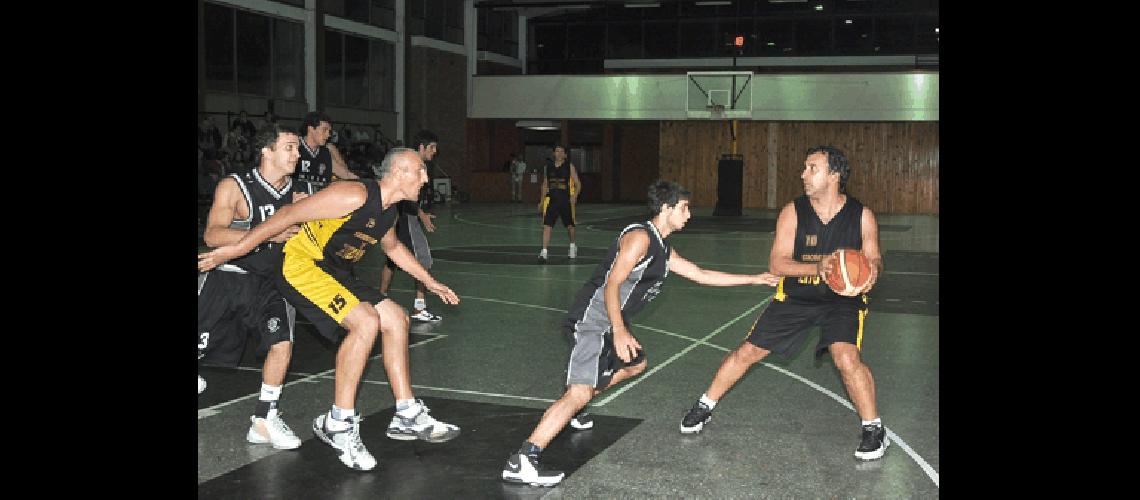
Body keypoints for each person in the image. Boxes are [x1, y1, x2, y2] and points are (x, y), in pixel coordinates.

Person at [501, 180, 780, 487]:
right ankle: (523, 459)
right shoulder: (639, 238)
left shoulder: (662, 245)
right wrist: (619, 331)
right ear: (666, 208)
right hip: (593, 320)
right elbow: (613, 284)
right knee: (579, 391)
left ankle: (573, 408)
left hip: (610, 321)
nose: (688, 215)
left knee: (635, 364)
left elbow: (700, 274)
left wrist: (754, 279)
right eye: (684, 208)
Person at [198, 148, 462, 472]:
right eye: (420, 170)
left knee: (396, 317)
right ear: (398, 172)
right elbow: (286, 216)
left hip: (333, 271)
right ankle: (338, 423)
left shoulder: (388, 212)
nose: (425, 177)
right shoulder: (352, 194)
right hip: (299, 265)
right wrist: (234, 250)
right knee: (364, 322)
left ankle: (406, 411)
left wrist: (430, 282)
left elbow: (392, 247)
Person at [678, 145, 887, 461]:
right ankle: (706, 404)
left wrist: (871, 273)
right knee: (749, 351)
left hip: (841, 301)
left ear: (834, 175)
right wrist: (818, 268)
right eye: (805, 167)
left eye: (812, 168)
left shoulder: (861, 215)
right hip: (797, 296)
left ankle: (873, 429)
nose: (803, 174)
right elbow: (777, 263)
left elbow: (873, 258)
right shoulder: (793, 212)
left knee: (846, 357)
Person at [197, 124, 316, 449]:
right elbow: (213, 235)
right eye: (290, 147)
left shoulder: (300, 192)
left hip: (272, 284)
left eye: (297, 148)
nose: (297, 154)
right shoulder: (234, 186)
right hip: (229, 278)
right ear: (266, 150)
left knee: (282, 345)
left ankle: (264, 420)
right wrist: (268, 233)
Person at [379, 130, 443, 322]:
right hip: (405, 215)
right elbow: (402, 193)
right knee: (422, 259)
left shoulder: (420, 166)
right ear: (421, 147)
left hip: (401, 215)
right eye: (432, 147)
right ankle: (419, 307)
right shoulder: (409, 163)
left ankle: (378, 299)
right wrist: (421, 215)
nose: (435, 151)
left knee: (392, 260)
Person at [536, 144, 580, 263]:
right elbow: (545, 184)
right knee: (547, 226)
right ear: (554, 153)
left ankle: (572, 246)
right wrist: (541, 201)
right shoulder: (548, 167)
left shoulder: (569, 167)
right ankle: (544, 252)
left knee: (570, 226)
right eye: (557, 151)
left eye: (561, 151)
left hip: (565, 200)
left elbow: (578, 184)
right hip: (552, 200)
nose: (559, 153)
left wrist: (574, 196)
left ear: (565, 155)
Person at [294, 111, 358, 190]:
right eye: (324, 130)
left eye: (329, 131)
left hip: (321, 199)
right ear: (311, 129)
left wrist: (367, 184)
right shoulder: (295, 148)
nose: (328, 135)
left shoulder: (325, 152)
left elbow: (346, 174)